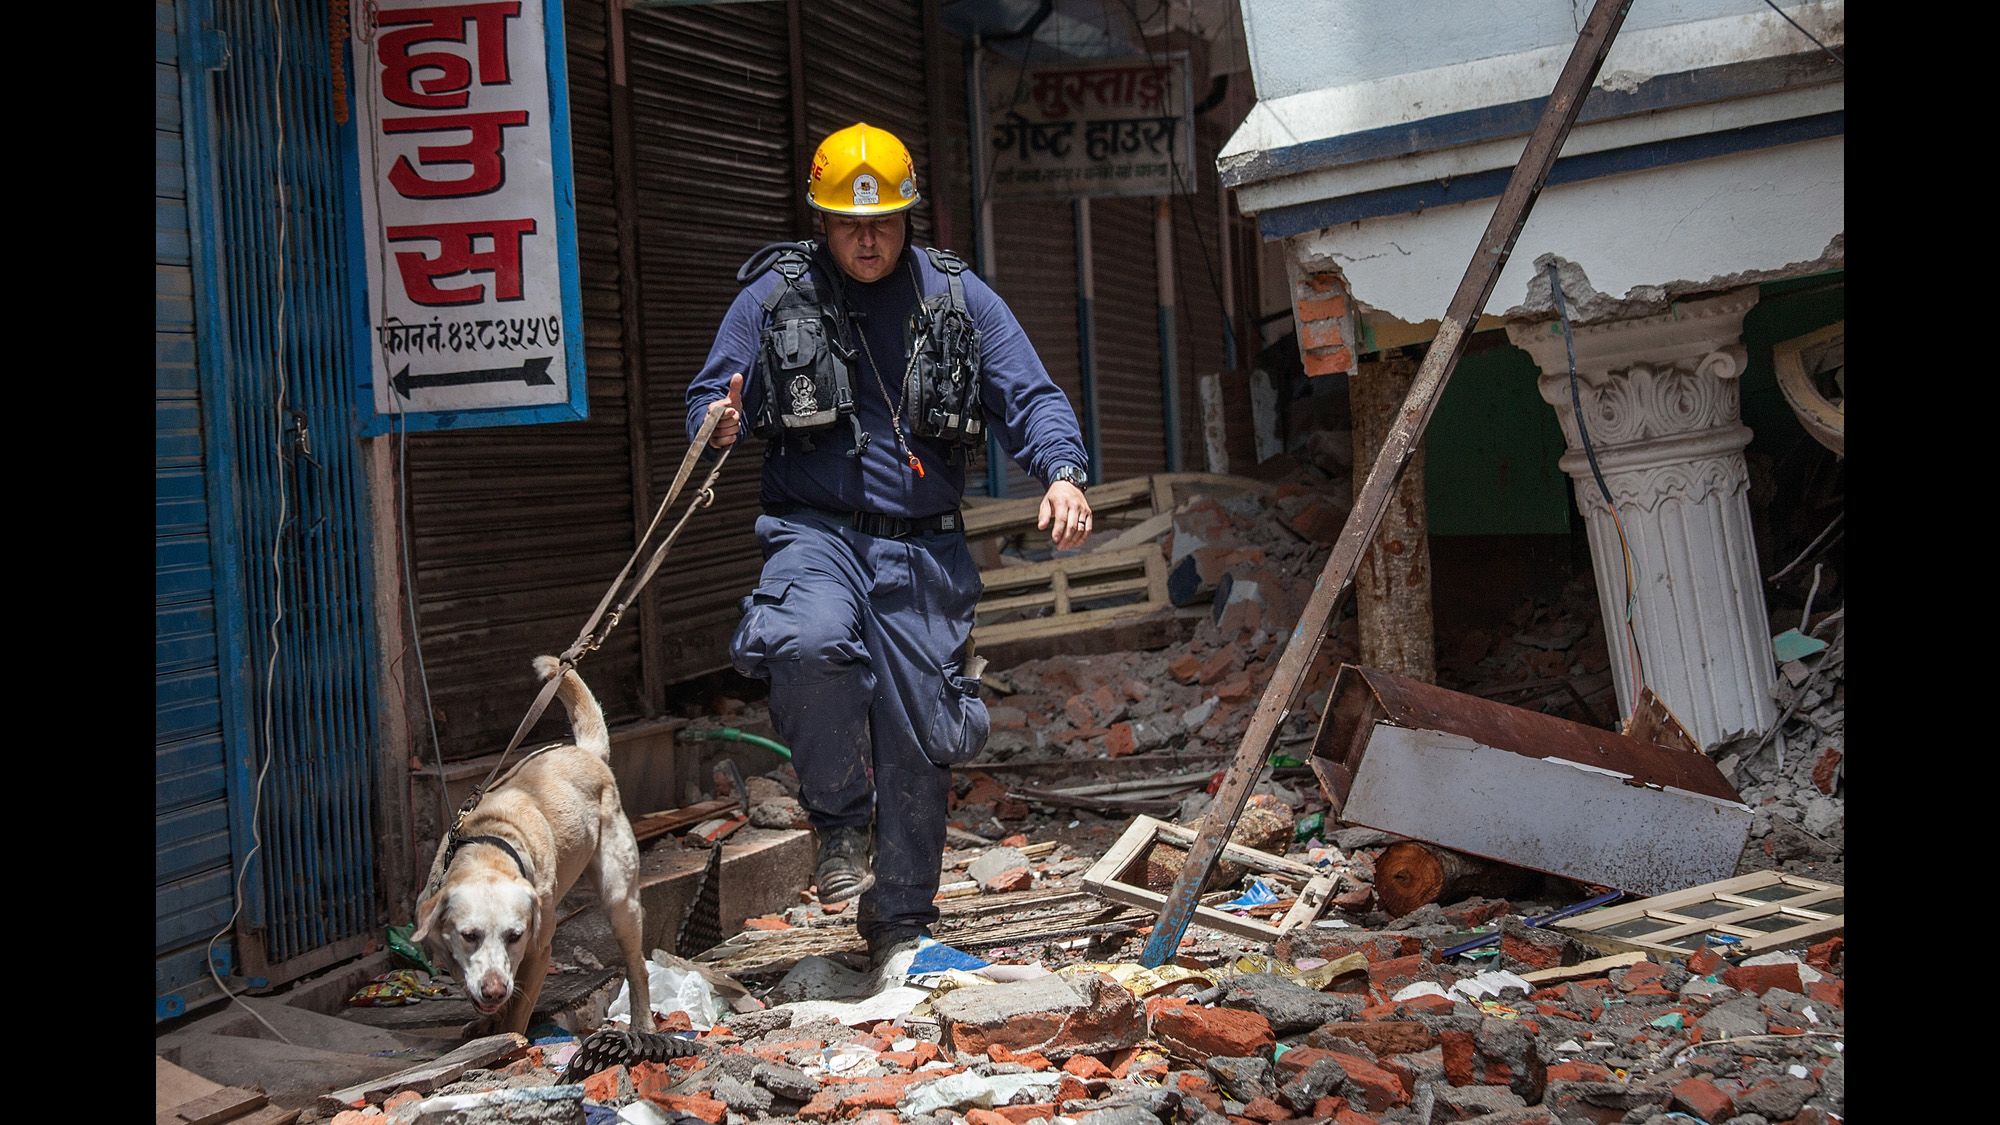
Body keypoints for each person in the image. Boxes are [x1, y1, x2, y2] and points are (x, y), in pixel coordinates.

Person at [685, 122, 1094, 962]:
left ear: (910, 214)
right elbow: (709, 392)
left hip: (923, 551)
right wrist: (716, 423)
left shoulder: (959, 297)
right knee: (805, 638)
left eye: (882, 221)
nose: (866, 239)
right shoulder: (772, 296)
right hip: (814, 533)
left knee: (921, 735)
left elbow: (1033, 395)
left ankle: (901, 921)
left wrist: (1061, 472)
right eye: (847, 223)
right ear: (820, 221)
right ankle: (838, 819)